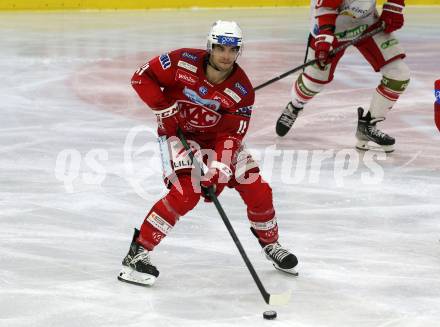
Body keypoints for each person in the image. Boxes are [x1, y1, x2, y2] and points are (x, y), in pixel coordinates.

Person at [118, 20, 298, 286]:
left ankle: (270, 244)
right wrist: (164, 109)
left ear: (239, 51)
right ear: (210, 47)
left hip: (217, 141)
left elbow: (231, 136)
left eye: (232, 49)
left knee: (258, 189)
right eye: (220, 48)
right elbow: (141, 77)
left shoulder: (241, 90)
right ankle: (138, 252)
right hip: (180, 138)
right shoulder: (182, 62)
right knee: (185, 193)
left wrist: (219, 171)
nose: (226, 56)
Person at [275, 0, 410, 153]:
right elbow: (326, 7)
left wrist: (395, 6)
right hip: (331, 25)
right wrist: (324, 37)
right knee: (313, 84)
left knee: (399, 74)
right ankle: (296, 105)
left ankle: (368, 127)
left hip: (367, 22)